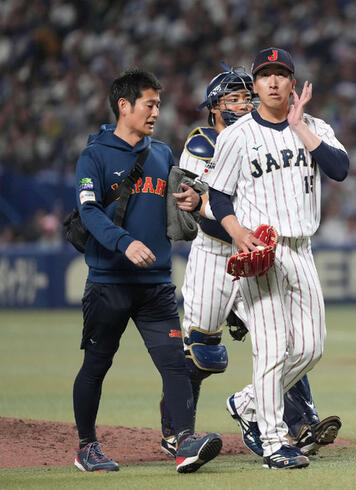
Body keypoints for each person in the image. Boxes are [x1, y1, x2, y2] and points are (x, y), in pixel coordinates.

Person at [159, 65, 342, 459]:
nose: (242, 104)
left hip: (263, 253)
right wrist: (206, 207)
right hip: (215, 253)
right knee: (204, 353)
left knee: (283, 341)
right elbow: (204, 204)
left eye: (246, 96)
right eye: (233, 98)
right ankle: (177, 430)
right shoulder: (203, 144)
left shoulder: (264, 134)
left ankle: (297, 422)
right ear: (214, 106)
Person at [72, 68, 222, 474]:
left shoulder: (161, 154)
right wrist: (124, 242)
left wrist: (191, 201)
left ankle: (184, 441)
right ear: (124, 106)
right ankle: (87, 447)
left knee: (174, 363)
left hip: (155, 281)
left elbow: (176, 202)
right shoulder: (94, 155)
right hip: (109, 282)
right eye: (149, 104)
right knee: (97, 365)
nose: (157, 112)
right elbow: (88, 211)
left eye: (158, 104)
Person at [207, 48, 349, 469]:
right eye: (265, 75)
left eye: (280, 74)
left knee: (310, 348)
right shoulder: (237, 135)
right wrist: (237, 233)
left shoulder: (314, 126)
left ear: (292, 83)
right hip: (262, 251)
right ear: (255, 84)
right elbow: (218, 195)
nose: (272, 82)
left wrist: (299, 127)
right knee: (272, 348)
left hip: (302, 248)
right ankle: (273, 443)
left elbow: (339, 169)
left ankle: (246, 403)